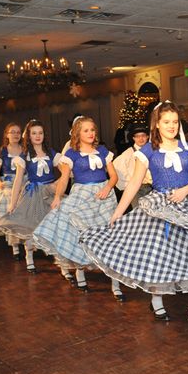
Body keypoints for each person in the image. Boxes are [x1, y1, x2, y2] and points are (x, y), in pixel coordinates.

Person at [79, 100, 188, 321]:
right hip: (161, 208)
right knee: (161, 256)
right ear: (157, 124)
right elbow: (133, 184)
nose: (172, 126)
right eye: (166, 122)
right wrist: (118, 212)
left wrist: (184, 191)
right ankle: (157, 300)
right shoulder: (148, 150)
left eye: (175, 122)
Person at [33, 116, 124, 298]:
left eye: (92, 130)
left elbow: (113, 176)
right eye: (86, 130)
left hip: (104, 197)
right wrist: (58, 197)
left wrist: (107, 187)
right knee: (78, 232)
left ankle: (116, 283)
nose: (90, 133)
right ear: (77, 133)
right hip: (82, 194)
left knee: (110, 236)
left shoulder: (102, 150)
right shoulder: (71, 155)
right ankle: (79, 271)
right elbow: (65, 177)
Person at [0, 120, 61, 274]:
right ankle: (29, 257)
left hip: (49, 193)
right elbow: (18, 180)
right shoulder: (24, 155)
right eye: (34, 133)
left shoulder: (51, 153)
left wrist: (57, 186)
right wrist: (13, 203)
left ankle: (60, 261)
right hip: (32, 193)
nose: (37, 136)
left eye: (40, 132)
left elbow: (68, 172)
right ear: (29, 136)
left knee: (55, 225)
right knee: (30, 226)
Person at [0, 122, 24, 260]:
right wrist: (0, 184)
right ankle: (15, 247)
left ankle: (27, 242)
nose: (16, 134)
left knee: (24, 213)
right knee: (10, 213)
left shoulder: (25, 150)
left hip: (24, 182)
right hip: (8, 184)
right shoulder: (2, 151)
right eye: (12, 132)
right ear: (7, 134)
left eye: (18, 132)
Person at [113, 121, 153, 208]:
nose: (140, 139)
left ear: (147, 137)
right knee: (138, 212)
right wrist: (128, 182)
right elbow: (116, 166)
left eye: (143, 136)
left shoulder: (152, 151)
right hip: (135, 190)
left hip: (152, 188)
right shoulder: (128, 153)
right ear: (133, 138)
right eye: (137, 136)